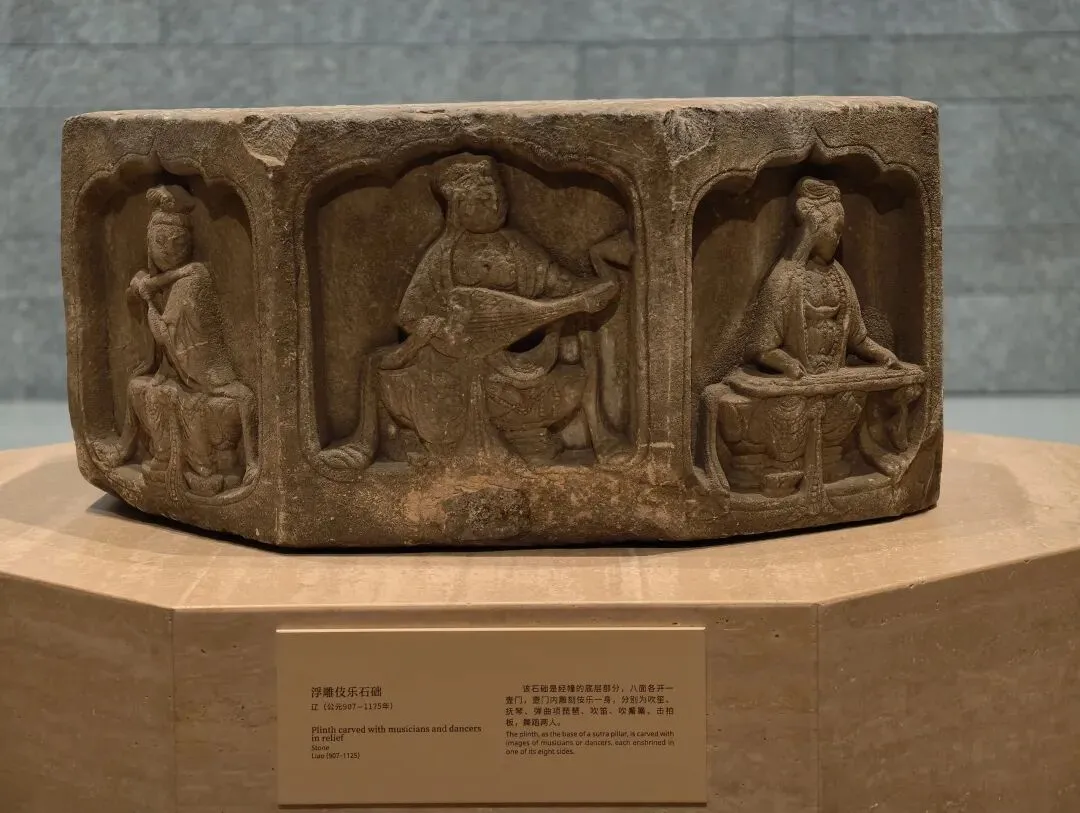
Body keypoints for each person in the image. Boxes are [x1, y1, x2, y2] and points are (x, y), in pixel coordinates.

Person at [320, 154, 631, 470]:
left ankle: (597, 437)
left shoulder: (518, 248)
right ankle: (364, 444)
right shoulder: (443, 255)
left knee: (576, 372)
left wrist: (600, 268)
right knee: (376, 366)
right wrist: (433, 327)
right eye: (481, 199)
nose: (494, 205)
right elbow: (409, 313)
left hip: (512, 366)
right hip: (449, 362)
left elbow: (568, 287)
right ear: (458, 208)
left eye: (498, 196)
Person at [93, 185, 257, 497]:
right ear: (149, 243)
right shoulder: (172, 279)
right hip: (174, 372)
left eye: (178, 242)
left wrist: (148, 297)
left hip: (202, 374)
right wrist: (144, 289)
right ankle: (139, 452)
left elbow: (165, 334)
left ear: (189, 244)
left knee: (189, 402)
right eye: (160, 241)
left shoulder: (191, 281)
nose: (168, 249)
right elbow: (143, 323)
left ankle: (202, 467)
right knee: (138, 388)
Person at [748, 176, 900, 378]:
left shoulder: (840, 277)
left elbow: (857, 339)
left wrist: (881, 354)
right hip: (799, 382)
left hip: (834, 378)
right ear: (817, 229)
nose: (838, 238)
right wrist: (787, 363)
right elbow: (762, 348)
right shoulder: (786, 277)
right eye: (836, 230)